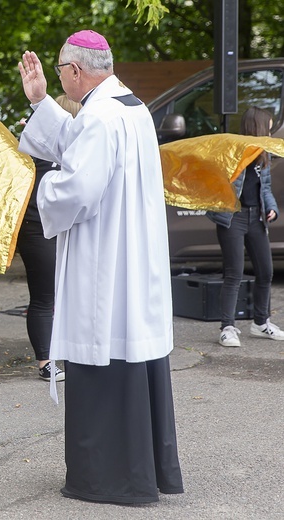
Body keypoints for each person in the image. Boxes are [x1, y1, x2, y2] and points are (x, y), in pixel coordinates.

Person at [17, 30, 184, 503]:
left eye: (59, 73)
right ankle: (147, 471)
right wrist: (41, 101)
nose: (58, 79)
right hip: (134, 254)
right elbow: (76, 140)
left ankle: (108, 479)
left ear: (76, 71)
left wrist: (42, 190)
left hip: (106, 261)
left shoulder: (101, 115)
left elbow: (78, 188)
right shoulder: (128, 106)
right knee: (134, 349)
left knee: (104, 345)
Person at [206, 106, 284, 347]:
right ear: (257, 128)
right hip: (233, 218)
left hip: (256, 218)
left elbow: (266, 189)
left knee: (266, 271)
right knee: (234, 273)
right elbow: (217, 183)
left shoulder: (263, 154)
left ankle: (261, 323)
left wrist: (271, 208)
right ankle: (227, 327)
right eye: (268, 130)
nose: (270, 135)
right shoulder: (232, 152)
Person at [17, 94, 81, 382]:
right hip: (37, 226)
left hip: (60, 224)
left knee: (63, 294)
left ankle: (66, 352)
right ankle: (45, 360)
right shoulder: (38, 139)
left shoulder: (76, 142)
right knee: (45, 296)